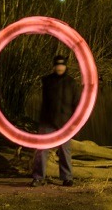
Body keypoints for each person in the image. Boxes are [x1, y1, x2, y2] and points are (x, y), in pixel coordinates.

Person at [31, 54, 78, 186]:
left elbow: (77, 104)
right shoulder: (46, 81)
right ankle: (38, 177)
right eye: (57, 65)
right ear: (54, 66)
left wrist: (75, 124)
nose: (60, 67)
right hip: (47, 120)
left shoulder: (72, 83)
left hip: (65, 123)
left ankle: (67, 178)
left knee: (65, 151)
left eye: (62, 65)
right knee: (41, 150)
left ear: (65, 66)